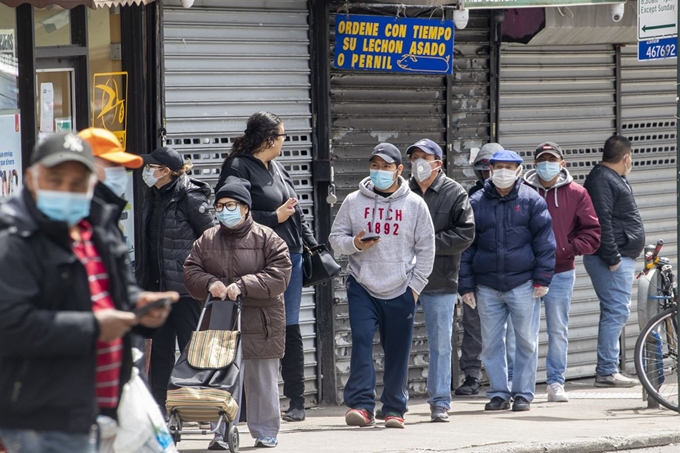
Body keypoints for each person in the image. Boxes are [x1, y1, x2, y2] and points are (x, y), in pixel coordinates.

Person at [0, 132, 177, 453]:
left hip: (99, 407)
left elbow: (111, 297)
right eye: (55, 180)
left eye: (78, 182)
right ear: (31, 178)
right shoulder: (13, 239)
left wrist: (139, 310)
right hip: (42, 415)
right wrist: (95, 327)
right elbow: (11, 325)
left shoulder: (96, 228)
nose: (67, 191)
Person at [216, 111, 317, 422]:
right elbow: (229, 214)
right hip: (254, 258)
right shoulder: (237, 167)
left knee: (289, 326)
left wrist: (311, 243)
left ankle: (297, 400)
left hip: (291, 257)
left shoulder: (277, 167)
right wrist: (275, 218)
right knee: (251, 327)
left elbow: (295, 211)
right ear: (269, 139)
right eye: (283, 136)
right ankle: (244, 405)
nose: (285, 141)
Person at [329, 143, 435, 429]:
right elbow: (335, 237)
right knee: (362, 343)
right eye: (374, 165)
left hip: (402, 288)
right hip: (363, 285)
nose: (379, 171)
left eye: (385, 167)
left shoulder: (415, 205)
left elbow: (427, 249)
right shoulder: (353, 201)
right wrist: (354, 244)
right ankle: (362, 406)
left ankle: (394, 409)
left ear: (399, 170)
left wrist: (415, 288)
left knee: (398, 350)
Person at [184, 176, 292, 449]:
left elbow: (279, 276)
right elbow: (191, 270)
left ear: (245, 207)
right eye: (218, 206)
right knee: (220, 378)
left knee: (261, 380)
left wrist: (243, 285)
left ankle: (265, 431)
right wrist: (211, 283)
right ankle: (220, 432)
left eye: (229, 204)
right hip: (220, 320)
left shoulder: (269, 238)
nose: (223, 211)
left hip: (261, 321)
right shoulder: (207, 238)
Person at [459, 150, 555, 412]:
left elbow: (545, 244)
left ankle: (523, 393)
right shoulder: (476, 201)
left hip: (523, 284)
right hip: (487, 285)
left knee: (526, 340)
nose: (503, 171)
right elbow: (467, 247)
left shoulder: (532, 201)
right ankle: (499, 393)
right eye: (498, 166)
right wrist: (466, 286)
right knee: (490, 343)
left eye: (508, 167)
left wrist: (542, 278)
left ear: (519, 171)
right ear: (489, 170)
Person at [136, 146, 214, 410]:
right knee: (160, 352)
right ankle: (160, 409)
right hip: (157, 288)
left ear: (165, 171)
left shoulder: (189, 196)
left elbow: (210, 238)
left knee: (191, 351)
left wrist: (197, 275)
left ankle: (197, 406)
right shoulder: (153, 194)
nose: (147, 171)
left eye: (151, 167)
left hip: (185, 289)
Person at [523, 141, 601, 402]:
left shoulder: (577, 193)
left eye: (552, 160)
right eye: (542, 160)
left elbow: (592, 233)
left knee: (558, 329)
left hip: (561, 272)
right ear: (535, 164)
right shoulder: (522, 190)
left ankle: (556, 382)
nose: (547, 165)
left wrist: (565, 250)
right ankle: (524, 385)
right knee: (524, 331)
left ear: (562, 163)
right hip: (526, 272)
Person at [406, 139, 475, 421]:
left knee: (440, 344)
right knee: (398, 341)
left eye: (425, 157)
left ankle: (440, 402)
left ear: (439, 162)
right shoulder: (401, 190)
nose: (419, 162)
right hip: (404, 280)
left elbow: (465, 233)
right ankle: (396, 402)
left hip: (440, 280)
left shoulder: (454, 192)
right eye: (414, 157)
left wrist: (427, 244)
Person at [583, 135, 644, 388]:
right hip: (610, 259)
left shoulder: (612, 178)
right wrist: (612, 257)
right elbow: (601, 221)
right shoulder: (601, 180)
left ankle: (608, 369)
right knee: (616, 311)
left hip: (618, 256)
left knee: (613, 311)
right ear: (626, 157)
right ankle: (607, 371)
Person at [456, 141, 505, 396]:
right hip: (479, 274)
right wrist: (464, 281)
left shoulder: (522, 195)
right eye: (483, 171)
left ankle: (507, 381)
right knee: (473, 327)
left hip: (511, 276)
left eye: (492, 170)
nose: (488, 176)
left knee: (511, 332)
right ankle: (472, 376)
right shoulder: (471, 199)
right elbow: (464, 243)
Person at [78, 127, 143, 222]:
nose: (120, 171)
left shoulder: (104, 213)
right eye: (113, 164)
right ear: (87, 164)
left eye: (121, 166)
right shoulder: (78, 217)